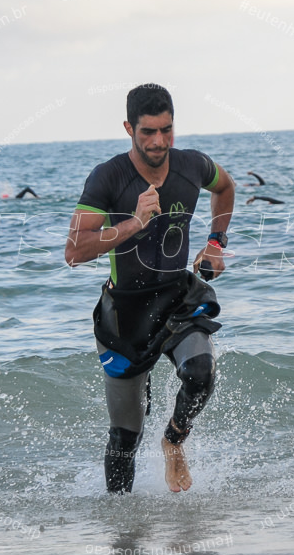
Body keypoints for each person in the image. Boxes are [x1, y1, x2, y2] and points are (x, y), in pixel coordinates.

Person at [64, 83, 235, 494]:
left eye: (167, 130)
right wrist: (132, 224)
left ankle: (174, 440)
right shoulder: (109, 177)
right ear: (129, 128)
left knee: (200, 373)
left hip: (178, 297)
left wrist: (215, 243)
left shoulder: (193, 165)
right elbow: (74, 250)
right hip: (126, 315)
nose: (159, 142)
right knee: (124, 440)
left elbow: (226, 188)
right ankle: (123, 533)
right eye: (148, 132)